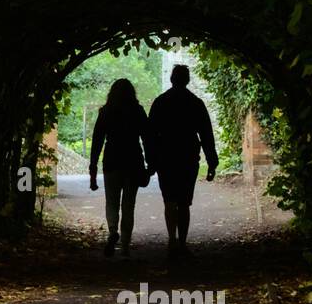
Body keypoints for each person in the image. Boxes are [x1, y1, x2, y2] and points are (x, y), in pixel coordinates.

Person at [148, 64, 218, 258]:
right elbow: (206, 135)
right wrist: (212, 162)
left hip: (166, 158)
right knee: (184, 202)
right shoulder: (195, 103)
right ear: (187, 80)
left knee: (169, 201)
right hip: (188, 158)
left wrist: (151, 161)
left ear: (172, 79)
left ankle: (172, 240)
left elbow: (151, 134)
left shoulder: (161, 102)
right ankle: (182, 242)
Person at [89, 79, 153, 257]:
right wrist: (150, 163)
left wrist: (93, 166)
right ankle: (125, 245)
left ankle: (112, 232)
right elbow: (147, 138)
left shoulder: (106, 112)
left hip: (112, 160)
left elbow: (97, 141)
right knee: (128, 205)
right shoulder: (137, 111)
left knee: (112, 201)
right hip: (133, 161)